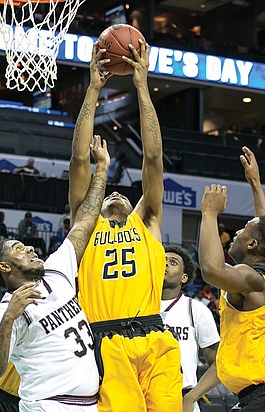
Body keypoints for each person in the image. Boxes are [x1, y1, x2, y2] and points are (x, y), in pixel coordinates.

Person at [0, 135, 110, 411]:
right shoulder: (6, 311)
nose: (29, 247)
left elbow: (85, 222)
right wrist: (8, 319)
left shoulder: (57, 272)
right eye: (19, 248)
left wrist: (102, 168)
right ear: (4, 266)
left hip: (88, 404)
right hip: (47, 406)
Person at [71, 42, 183, 411]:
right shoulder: (85, 229)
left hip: (155, 334)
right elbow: (78, 159)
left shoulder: (147, 221)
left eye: (121, 194)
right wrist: (92, 89)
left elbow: (153, 156)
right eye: (107, 196)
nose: (116, 193)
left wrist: (141, 85)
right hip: (106, 338)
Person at [198, 182, 265, 411]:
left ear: (253, 244)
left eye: (243, 230)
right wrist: (255, 184)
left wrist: (209, 213)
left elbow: (212, 270)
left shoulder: (252, 279)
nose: (236, 234)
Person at [160, 244, 221, 412]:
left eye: (173, 262)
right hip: (144, 398)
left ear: (184, 278)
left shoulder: (196, 310)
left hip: (181, 400)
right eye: (162, 260)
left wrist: (191, 397)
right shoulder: (137, 306)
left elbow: (218, 364)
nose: (165, 264)